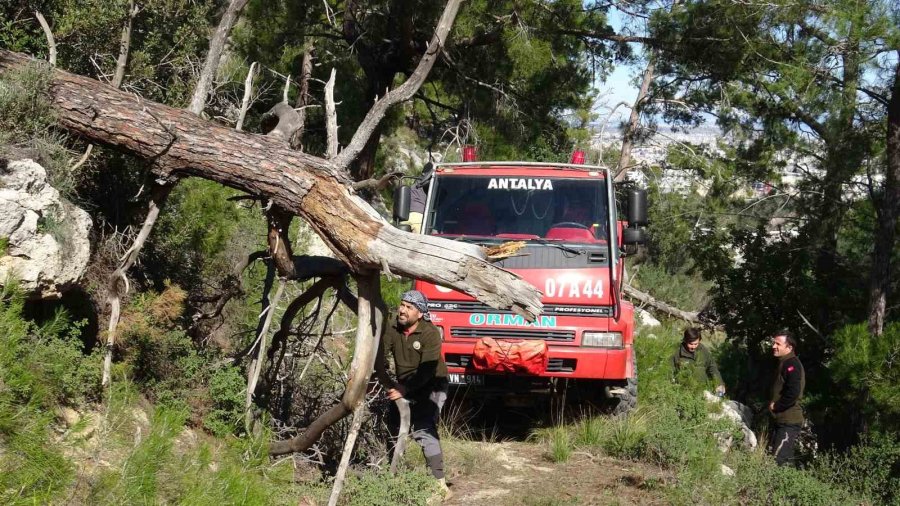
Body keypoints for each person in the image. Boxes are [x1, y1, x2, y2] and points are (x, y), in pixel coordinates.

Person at [377, 290, 450, 493]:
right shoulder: (393, 327)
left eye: (409, 307)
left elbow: (427, 369)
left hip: (434, 384)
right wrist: (373, 377)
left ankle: (439, 484)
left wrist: (404, 389)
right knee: (393, 424)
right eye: (402, 304)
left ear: (420, 313)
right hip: (405, 385)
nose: (402, 310)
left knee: (423, 428)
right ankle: (390, 475)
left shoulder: (430, 332)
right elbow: (381, 354)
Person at [767, 330, 805, 466]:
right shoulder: (784, 362)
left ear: (789, 348)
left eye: (778, 344)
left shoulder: (791, 364)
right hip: (781, 419)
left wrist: (776, 406)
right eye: (773, 343)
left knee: (778, 462)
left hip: (789, 421)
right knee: (775, 458)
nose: (773, 346)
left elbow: (793, 393)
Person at [672, 327, 725, 395]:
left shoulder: (703, 350)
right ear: (685, 340)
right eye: (691, 344)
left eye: (696, 344)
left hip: (704, 390)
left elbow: (712, 367)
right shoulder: (676, 351)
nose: (693, 347)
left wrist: (719, 383)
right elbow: (669, 370)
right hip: (684, 391)